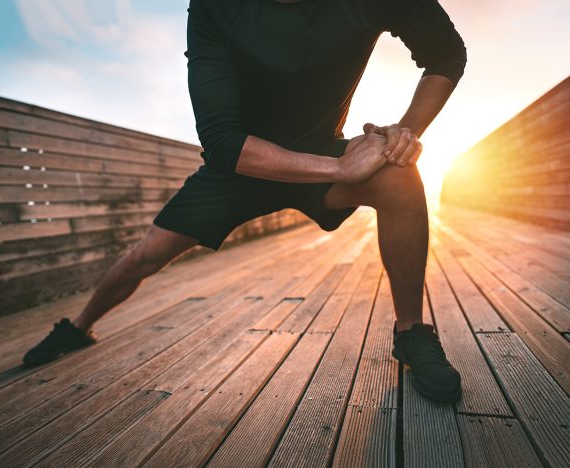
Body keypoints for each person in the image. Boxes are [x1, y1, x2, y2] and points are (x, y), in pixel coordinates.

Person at [23, 0, 466, 403]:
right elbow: (221, 140)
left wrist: (402, 135)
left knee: (398, 176)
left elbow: (446, 52)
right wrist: (339, 169)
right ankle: (78, 328)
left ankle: (411, 332)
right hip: (240, 164)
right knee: (146, 255)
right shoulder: (214, 8)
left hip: (317, 150)